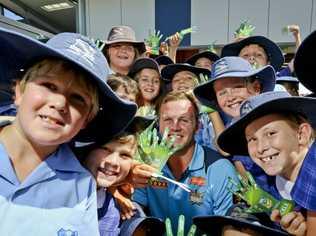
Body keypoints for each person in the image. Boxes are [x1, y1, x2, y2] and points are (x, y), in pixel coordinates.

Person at [0, 27, 137, 235]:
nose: (60, 103)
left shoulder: (82, 187)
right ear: (19, 90)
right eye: (49, 85)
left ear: (86, 120)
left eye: (78, 98)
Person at [133, 91, 238, 234]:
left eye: (184, 120)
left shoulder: (220, 169)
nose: (175, 127)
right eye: (168, 120)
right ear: (158, 124)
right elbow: (135, 208)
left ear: (197, 126)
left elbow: (229, 229)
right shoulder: (147, 163)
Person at [217, 91, 312, 236]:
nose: (261, 148)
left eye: (271, 133)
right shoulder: (263, 182)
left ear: (301, 134)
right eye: (252, 139)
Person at [194, 56, 276, 185]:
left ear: (256, 88)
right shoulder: (232, 129)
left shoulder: (278, 119)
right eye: (222, 93)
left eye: (237, 87)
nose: (230, 97)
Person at [80, 120, 164, 236]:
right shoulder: (58, 189)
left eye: (125, 155)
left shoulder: (113, 211)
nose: (113, 162)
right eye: (105, 149)